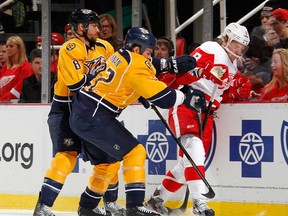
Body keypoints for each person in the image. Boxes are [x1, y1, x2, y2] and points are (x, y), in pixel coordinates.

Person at [68, 26, 202, 216]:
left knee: (109, 161)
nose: (150, 57)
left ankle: (87, 207)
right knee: (135, 152)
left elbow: (135, 72)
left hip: (82, 112)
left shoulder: (120, 54)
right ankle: (135, 205)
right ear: (137, 50)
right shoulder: (138, 65)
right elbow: (165, 99)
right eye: (148, 52)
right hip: (95, 117)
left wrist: (166, 65)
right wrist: (187, 97)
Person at [146, 22, 251, 216]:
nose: (239, 50)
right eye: (236, 45)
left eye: (242, 47)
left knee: (189, 162)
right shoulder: (211, 49)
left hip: (207, 114)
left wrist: (236, 90)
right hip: (186, 105)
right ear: (226, 39)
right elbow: (181, 72)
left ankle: (156, 200)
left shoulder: (233, 65)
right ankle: (200, 202)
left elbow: (221, 94)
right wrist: (199, 73)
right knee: (193, 149)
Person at [33, 8, 115, 216]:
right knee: (66, 155)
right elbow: (76, 83)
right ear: (81, 27)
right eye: (94, 25)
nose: (99, 29)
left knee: (110, 154)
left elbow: (120, 72)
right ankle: (43, 206)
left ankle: (97, 205)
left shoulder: (104, 48)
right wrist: (95, 75)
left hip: (92, 110)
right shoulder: (70, 47)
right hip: (66, 109)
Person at [0, 35, 33, 102]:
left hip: (14, 106)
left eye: (11, 46)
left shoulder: (26, 67)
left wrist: (3, 101)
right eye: (7, 46)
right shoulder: (5, 68)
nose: (8, 49)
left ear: (19, 48)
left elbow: (19, 89)